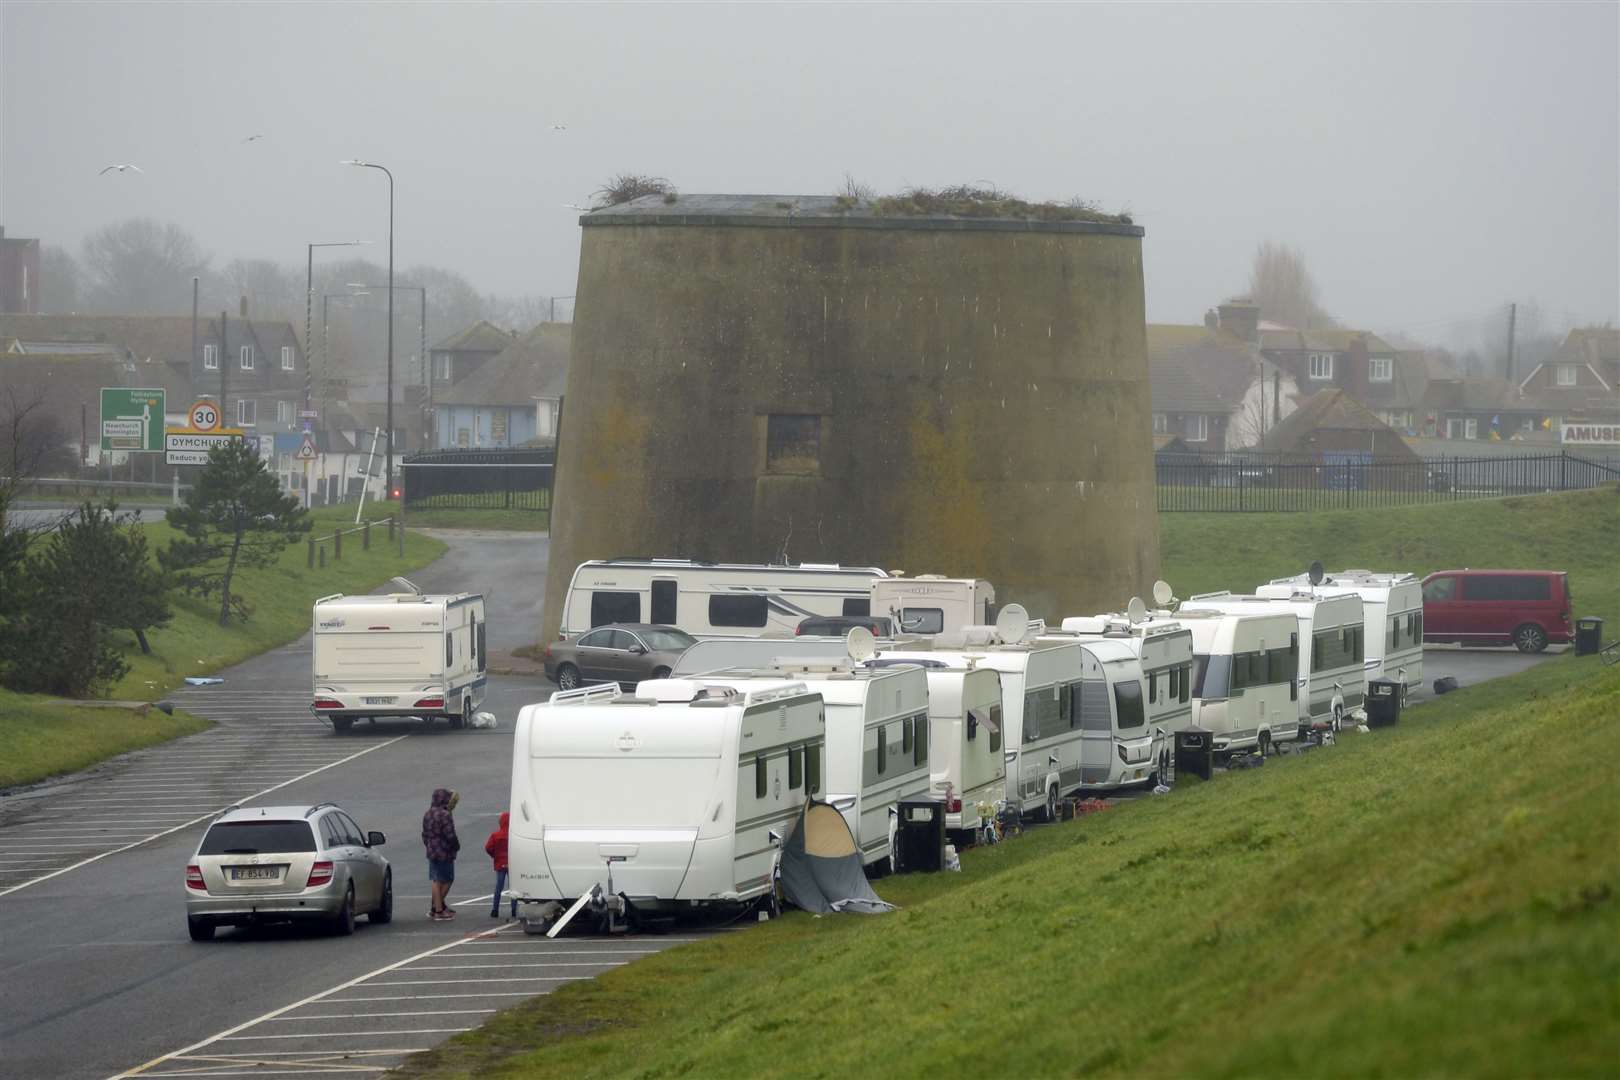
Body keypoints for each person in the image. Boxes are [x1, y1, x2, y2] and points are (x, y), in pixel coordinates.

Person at [422, 788, 461, 920]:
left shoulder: (427, 814)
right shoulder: (445, 814)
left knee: (436, 878)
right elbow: (450, 834)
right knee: (447, 879)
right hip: (444, 850)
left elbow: (424, 834)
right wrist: (456, 846)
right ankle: (437, 908)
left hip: (432, 849)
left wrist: (428, 845)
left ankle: (438, 907)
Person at [484, 811, 518, 919]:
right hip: (511, 863)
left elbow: (488, 848)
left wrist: (494, 855)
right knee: (513, 887)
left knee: (499, 887)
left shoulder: (495, 835)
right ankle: (513, 910)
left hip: (500, 863)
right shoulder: (513, 835)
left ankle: (495, 910)